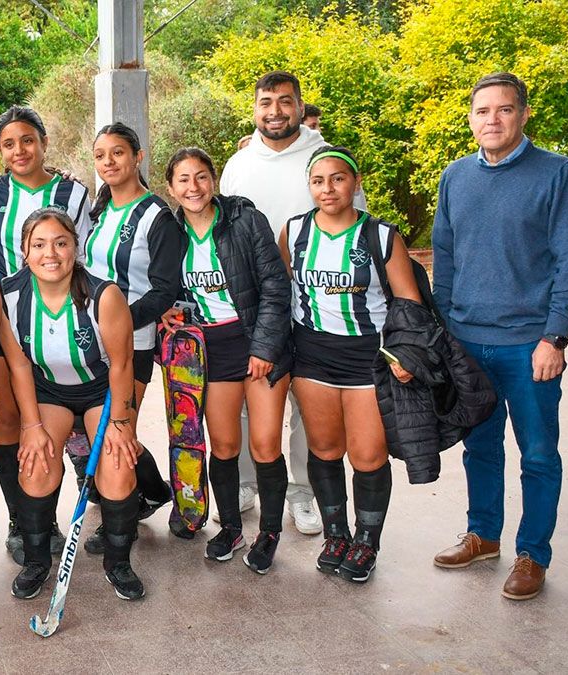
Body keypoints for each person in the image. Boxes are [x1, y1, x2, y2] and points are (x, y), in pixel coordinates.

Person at [431, 73, 568, 601]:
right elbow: (445, 259)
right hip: (467, 341)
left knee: (538, 454)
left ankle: (532, 554)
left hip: (530, 345)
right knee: (479, 447)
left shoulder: (558, 174)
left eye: (504, 110)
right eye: (482, 111)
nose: (492, 120)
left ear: (523, 114)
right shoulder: (455, 177)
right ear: (470, 118)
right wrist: (445, 335)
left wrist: (555, 337)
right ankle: (483, 535)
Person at [218, 71, 367, 536]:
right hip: (251, 305)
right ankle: (247, 482)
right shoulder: (239, 163)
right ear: (255, 109)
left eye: (285, 101)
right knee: (249, 399)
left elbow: (355, 225)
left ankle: (302, 492)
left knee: (308, 404)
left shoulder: (325, 156)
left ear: (301, 106)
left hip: (312, 305)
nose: (275, 111)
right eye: (266, 102)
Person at [280, 145, 421, 583]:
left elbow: (409, 302)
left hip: (367, 358)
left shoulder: (381, 235)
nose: (328, 189)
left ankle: (367, 541)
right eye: (318, 181)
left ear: (355, 183)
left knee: (367, 455)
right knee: (324, 450)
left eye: (338, 179)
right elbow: (278, 291)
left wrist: (407, 354)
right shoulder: (295, 231)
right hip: (312, 357)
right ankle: (336, 535)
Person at [0, 207, 146, 600]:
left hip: (102, 390)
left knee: (118, 464)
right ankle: (36, 561)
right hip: (49, 391)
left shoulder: (103, 295)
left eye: (60, 243)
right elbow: (18, 365)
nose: (50, 253)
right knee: (35, 464)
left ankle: (118, 563)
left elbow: (123, 364)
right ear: (25, 252)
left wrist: (120, 424)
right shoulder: (9, 296)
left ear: (75, 248)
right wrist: (31, 426)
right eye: (39, 245)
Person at [161, 148, 292, 570]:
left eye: (201, 176)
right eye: (183, 180)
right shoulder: (171, 232)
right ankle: (232, 527)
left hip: (255, 341)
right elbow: (165, 287)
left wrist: (264, 348)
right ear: (171, 188)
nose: (193, 187)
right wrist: (168, 310)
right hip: (210, 349)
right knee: (224, 445)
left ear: (213, 180)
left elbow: (275, 286)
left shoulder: (245, 220)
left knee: (265, 444)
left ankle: (269, 532)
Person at [0, 105, 92, 562]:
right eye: (9, 144)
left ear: (44, 142)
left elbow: (83, 255)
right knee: (10, 420)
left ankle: (72, 506)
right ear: (0, 151)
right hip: (3, 318)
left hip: (58, 319)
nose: (19, 150)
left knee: (54, 420)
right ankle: (25, 520)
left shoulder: (74, 192)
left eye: (28, 140)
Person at [80, 122, 182, 552]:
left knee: (115, 432)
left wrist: (119, 321)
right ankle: (153, 491)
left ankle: (119, 519)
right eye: (100, 155)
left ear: (138, 156)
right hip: (91, 343)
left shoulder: (157, 217)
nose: (109, 162)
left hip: (132, 344)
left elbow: (164, 290)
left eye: (118, 153)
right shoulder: (100, 209)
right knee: (99, 430)